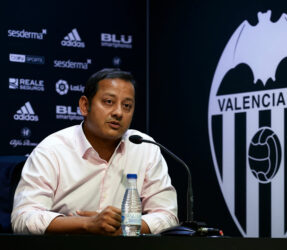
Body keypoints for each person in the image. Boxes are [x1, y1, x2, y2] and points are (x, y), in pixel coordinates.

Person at [11, 68, 178, 235]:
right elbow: (23, 218)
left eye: (127, 106)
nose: (118, 112)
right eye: (108, 102)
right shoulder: (52, 150)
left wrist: (125, 227)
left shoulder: (144, 148)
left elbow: (167, 216)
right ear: (85, 106)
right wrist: (86, 224)